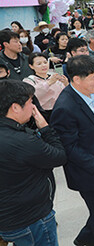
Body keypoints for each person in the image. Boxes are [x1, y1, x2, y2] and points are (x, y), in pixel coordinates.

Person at [50, 55, 94, 246]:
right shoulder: (65, 107)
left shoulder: (92, 92)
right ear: (76, 79)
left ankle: (83, 238)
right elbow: (69, 148)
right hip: (91, 171)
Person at [0, 80, 66, 246]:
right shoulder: (22, 141)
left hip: (8, 219)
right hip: (31, 218)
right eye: (30, 102)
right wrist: (44, 127)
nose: (34, 107)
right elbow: (59, 156)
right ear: (15, 107)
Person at [23, 53, 68, 120]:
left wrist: (66, 83)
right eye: (39, 64)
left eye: (45, 62)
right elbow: (34, 95)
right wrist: (49, 83)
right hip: (43, 114)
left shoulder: (55, 76)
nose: (43, 65)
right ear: (31, 66)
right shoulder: (29, 80)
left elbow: (66, 94)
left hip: (61, 110)